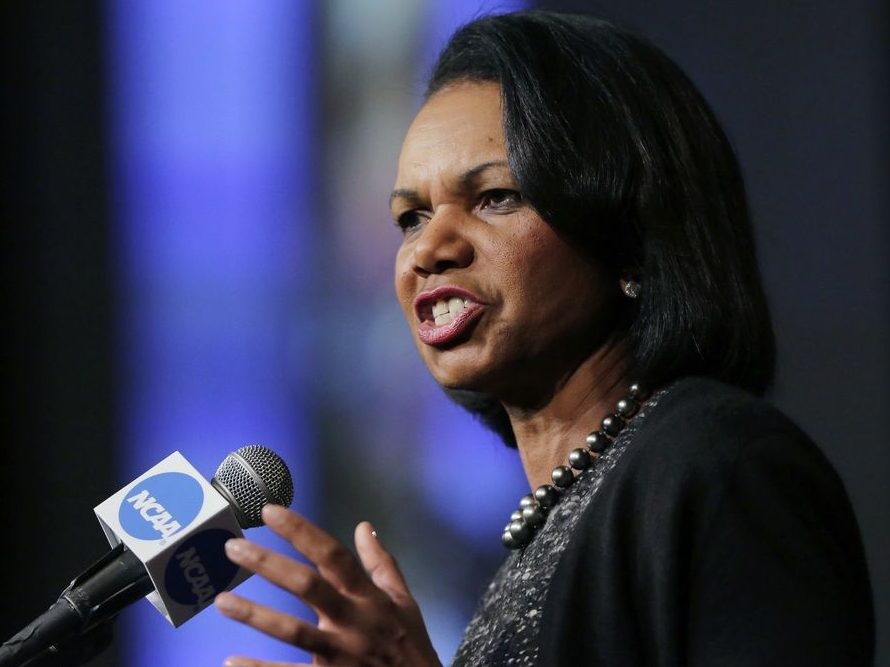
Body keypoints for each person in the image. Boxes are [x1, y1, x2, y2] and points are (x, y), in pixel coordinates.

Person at [213, 10, 874, 666]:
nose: (428, 250)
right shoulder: (547, 527)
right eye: (411, 217)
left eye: (495, 197)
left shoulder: (723, 468)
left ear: (629, 235)